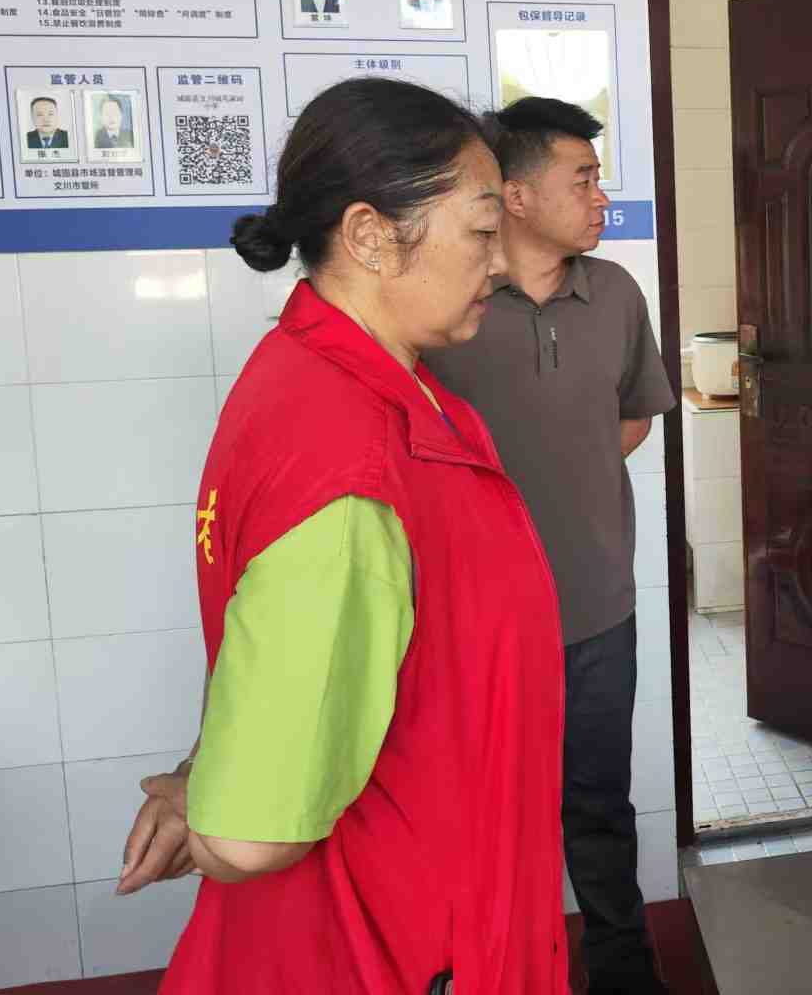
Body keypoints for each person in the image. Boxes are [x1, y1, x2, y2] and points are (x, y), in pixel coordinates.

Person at [115, 78, 568, 993]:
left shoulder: (327, 379)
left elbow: (284, 650)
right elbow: (251, 837)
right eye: (483, 231)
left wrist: (205, 770)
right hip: (393, 942)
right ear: (369, 235)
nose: (503, 265)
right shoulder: (351, 459)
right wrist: (216, 806)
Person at [425, 97, 675, 995]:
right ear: (518, 195)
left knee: (599, 806)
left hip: (597, 606)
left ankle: (623, 972)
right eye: (584, 179)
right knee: (488, 817)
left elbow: (635, 415)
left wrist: (566, 466)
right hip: (476, 621)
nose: (602, 196)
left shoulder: (615, 294)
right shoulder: (447, 301)